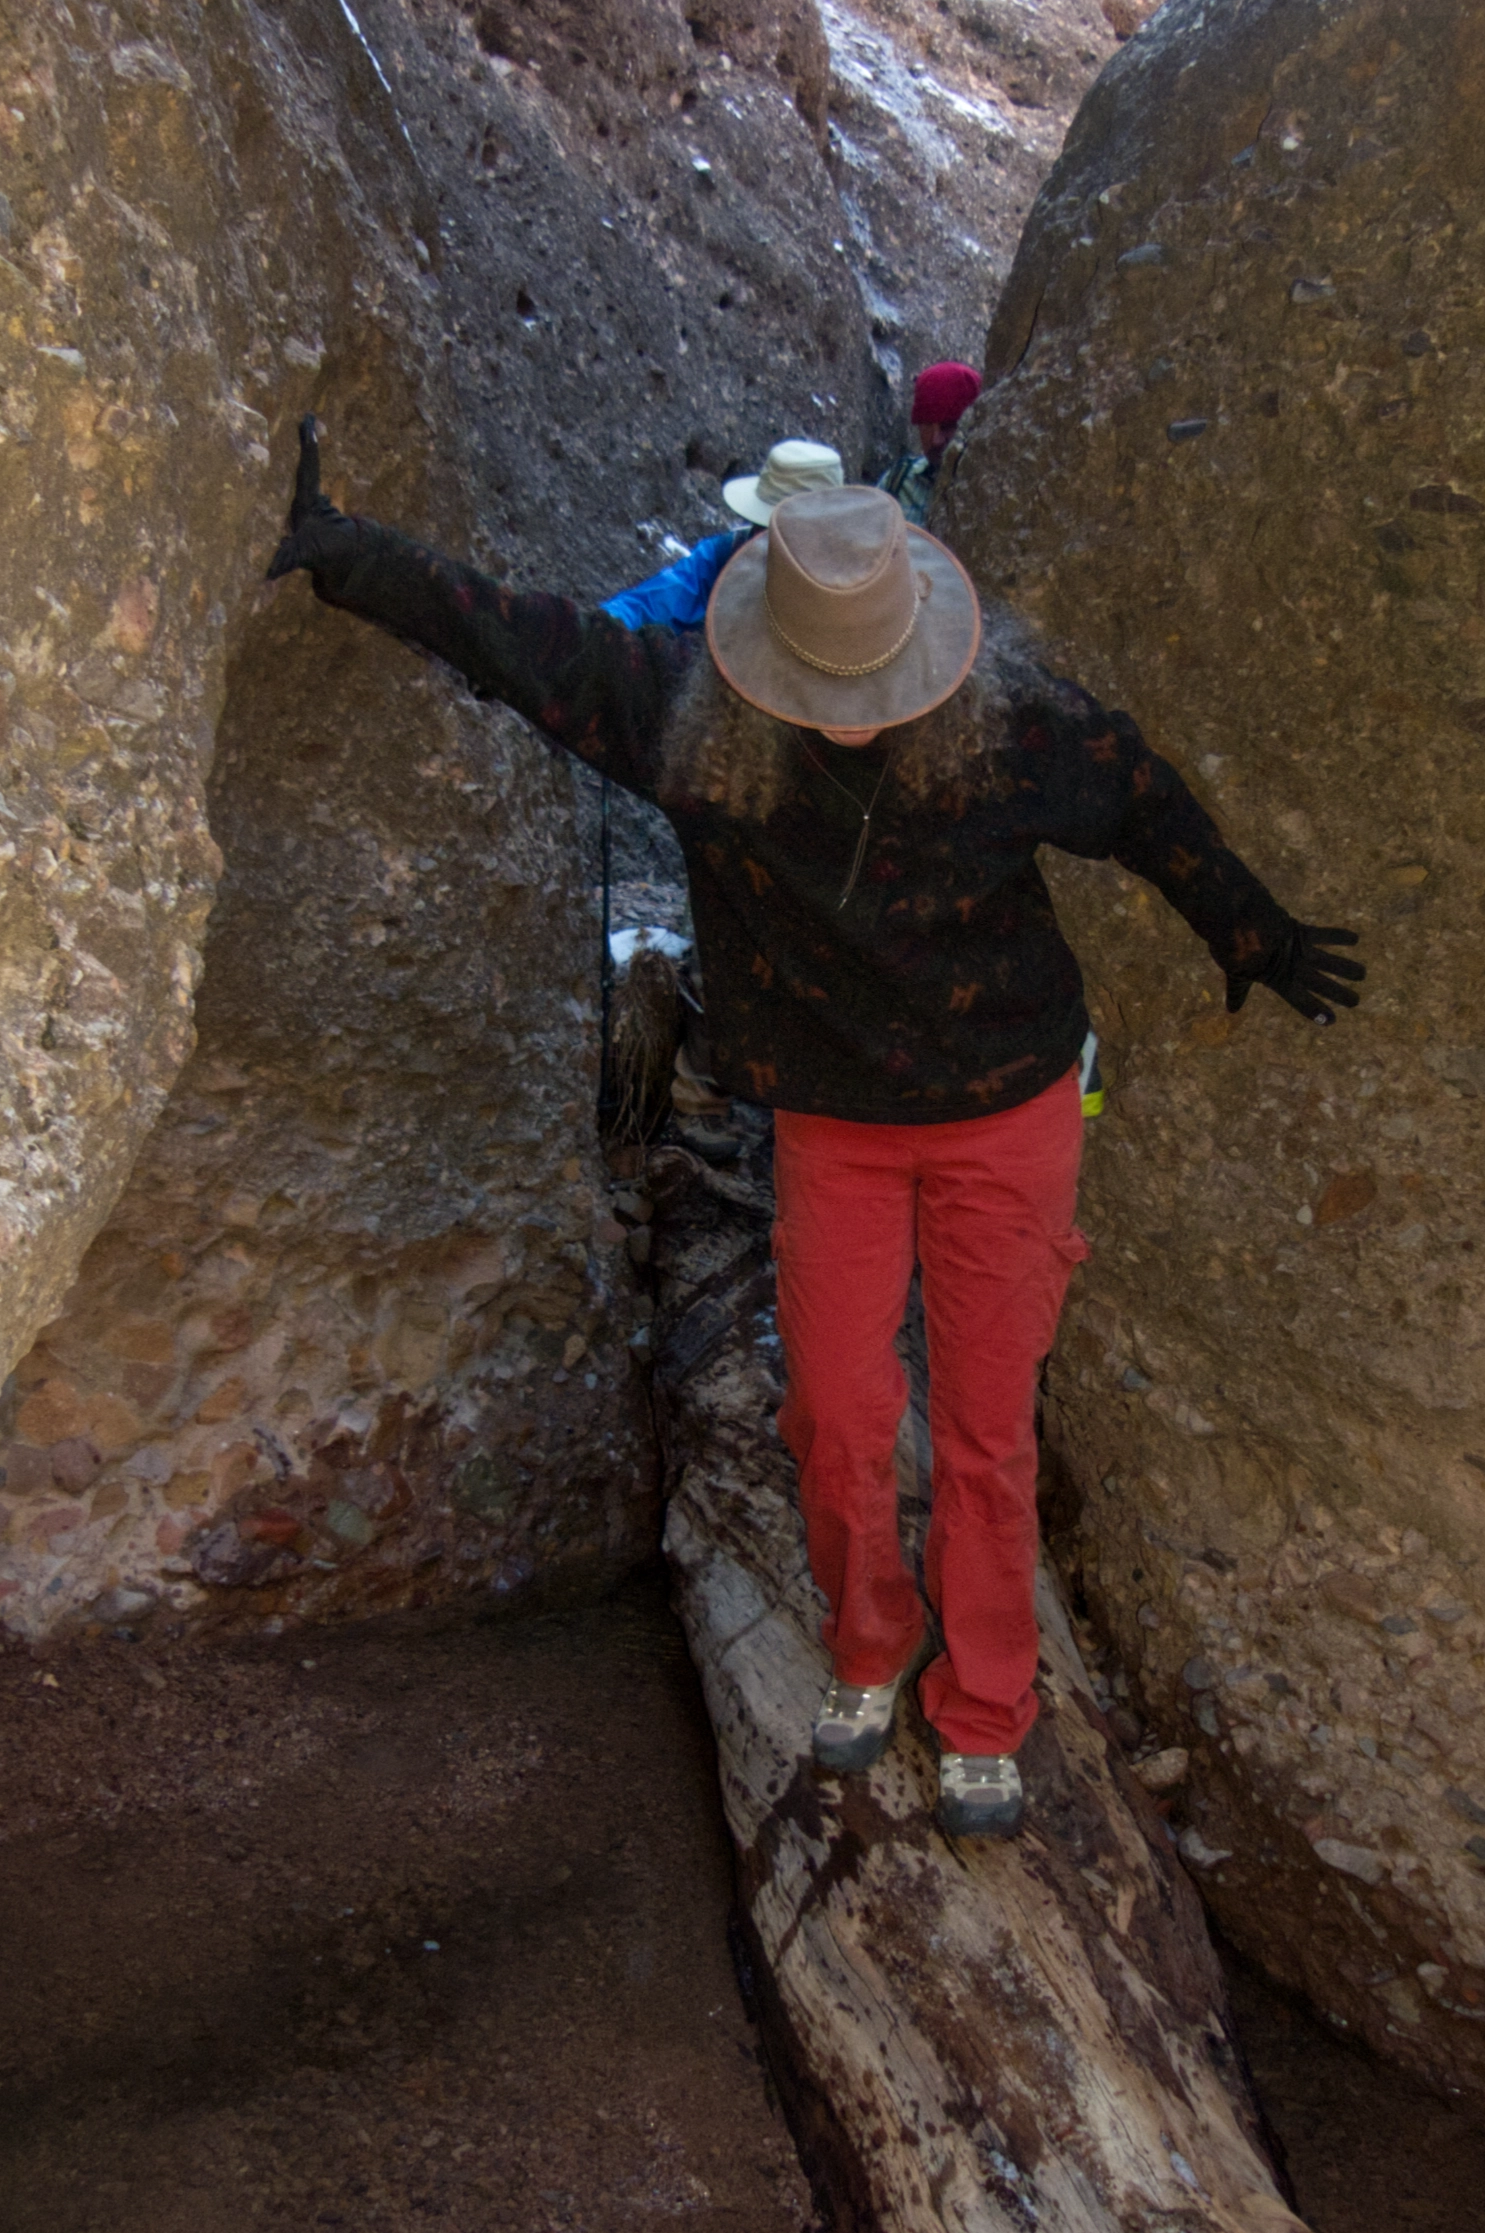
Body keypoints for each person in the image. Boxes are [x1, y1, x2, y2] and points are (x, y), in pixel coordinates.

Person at [265, 417, 1362, 1839]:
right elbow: (523, 646)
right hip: (835, 1125)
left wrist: (1249, 930)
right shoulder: (687, 715)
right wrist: (348, 554)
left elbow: (1144, 798)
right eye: (824, 683)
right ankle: (866, 1643)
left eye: (878, 681)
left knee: (982, 1430)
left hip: (1004, 1115)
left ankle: (986, 1708)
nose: (854, 710)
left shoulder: (1015, 721)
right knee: (837, 1412)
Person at [602, 437, 844, 635]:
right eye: (761, 527)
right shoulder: (726, 554)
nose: (762, 541)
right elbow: (652, 602)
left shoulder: (853, 590)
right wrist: (600, 630)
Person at [877, 361, 981, 526]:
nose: (936, 439)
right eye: (926, 425)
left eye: (947, 426)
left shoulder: (989, 491)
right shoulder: (897, 483)